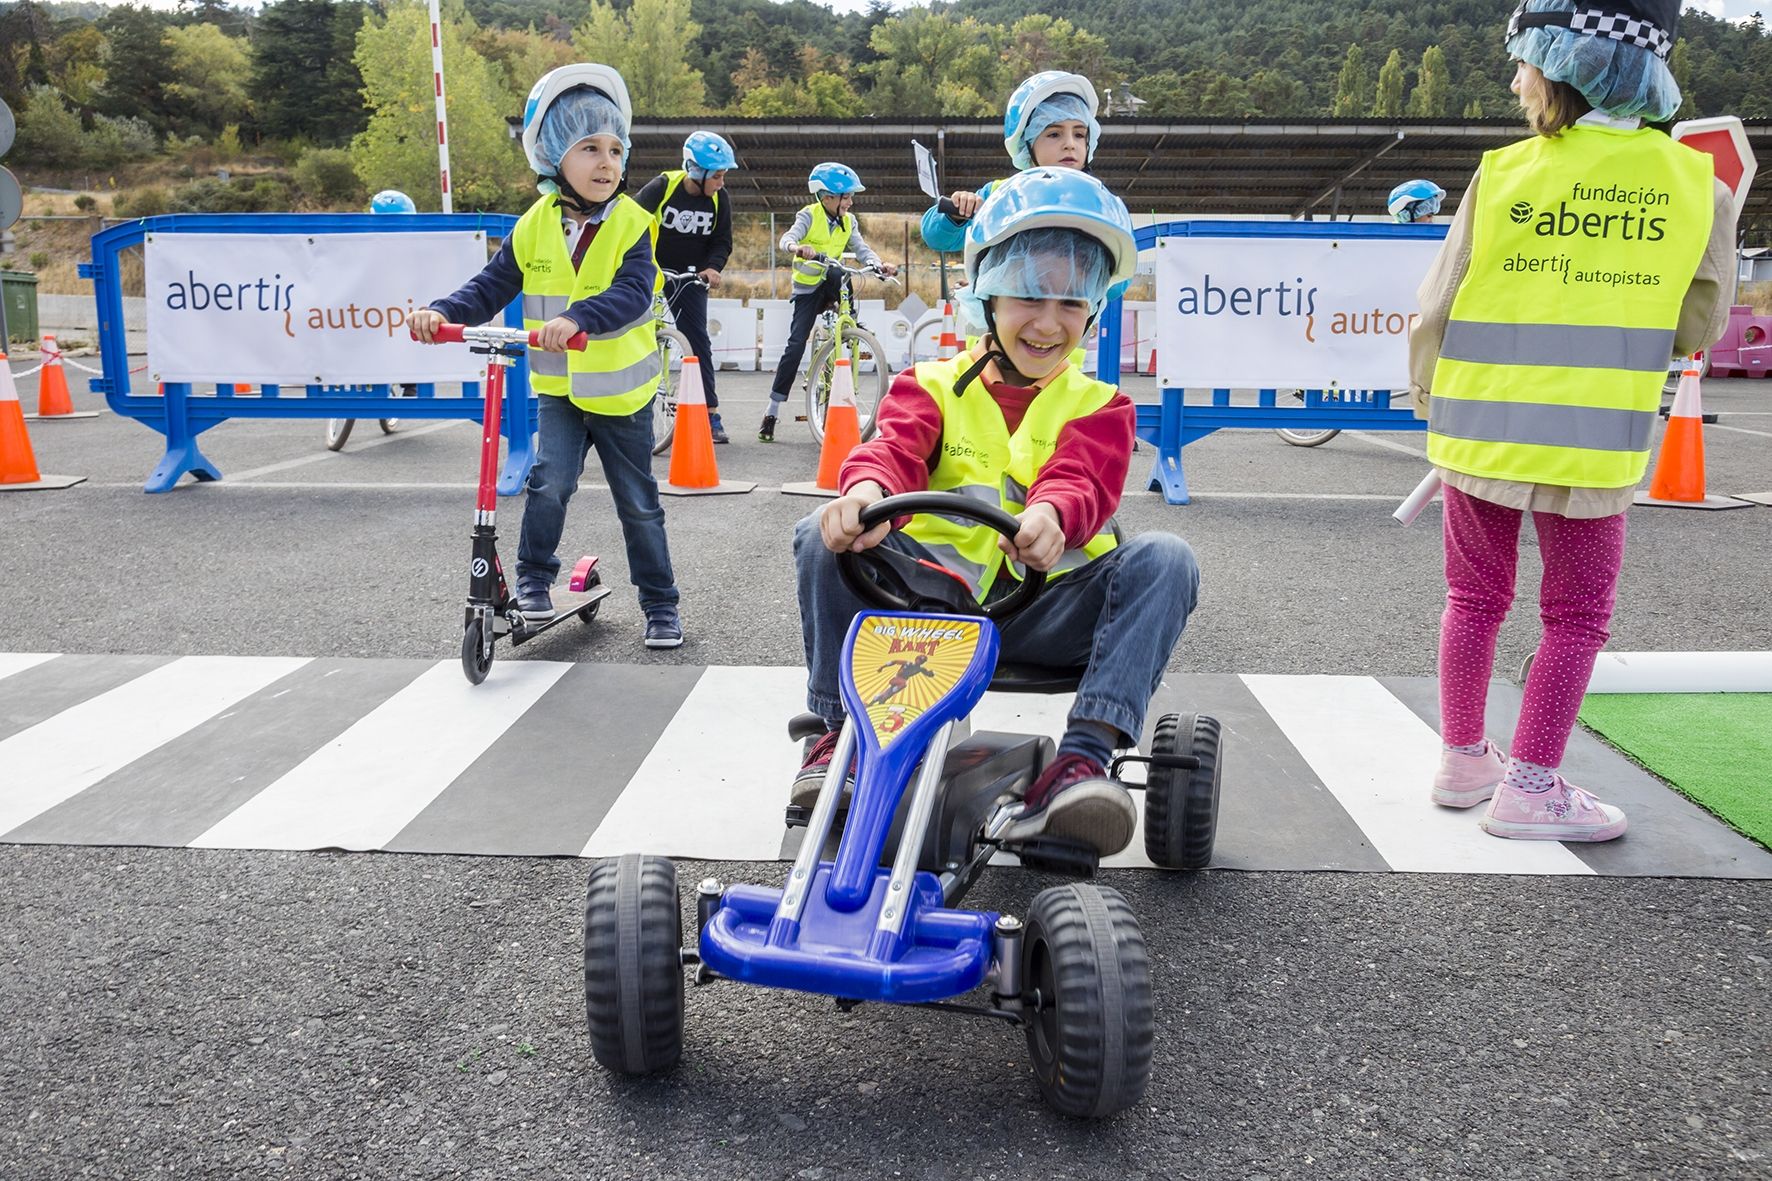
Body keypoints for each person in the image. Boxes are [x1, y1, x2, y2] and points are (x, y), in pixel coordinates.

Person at [791, 168, 1201, 858]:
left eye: (1071, 303)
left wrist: (1052, 515)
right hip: (926, 603)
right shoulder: (929, 385)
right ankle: (841, 737)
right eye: (1027, 298)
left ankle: (1079, 763)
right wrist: (862, 497)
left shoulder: (1101, 406)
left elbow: (1081, 480)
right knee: (819, 534)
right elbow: (891, 450)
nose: (1048, 322)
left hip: (1045, 613)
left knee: (1167, 558)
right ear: (986, 295)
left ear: (1095, 310)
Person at [1411, 0, 1737, 841]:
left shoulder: (1507, 170)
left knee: (1472, 598)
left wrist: (1431, 406)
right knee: (1578, 615)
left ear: (1566, 69)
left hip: (1479, 429)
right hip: (1596, 440)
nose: (1516, 78)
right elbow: (1698, 325)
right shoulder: (1695, 183)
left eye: (1525, 61)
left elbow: (1435, 307)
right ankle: (1534, 782)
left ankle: (1461, 757)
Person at [410, 63, 684, 649]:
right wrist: (441, 312)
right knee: (548, 484)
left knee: (637, 504)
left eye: (615, 148)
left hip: (620, 394)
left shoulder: (635, 223)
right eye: (589, 148)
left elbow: (633, 291)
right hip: (559, 390)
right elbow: (488, 286)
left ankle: (661, 605)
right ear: (553, 155)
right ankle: (535, 580)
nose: (607, 162)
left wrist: (579, 317)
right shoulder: (533, 224)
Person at [760, 163, 898, 442]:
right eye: (846, 196)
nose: (850, 201)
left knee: (841, 272)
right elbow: (787, 238)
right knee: (796, 343)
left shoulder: (850, 221)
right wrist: (797, 248)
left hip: (832, 280)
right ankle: (772, 410)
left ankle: (851, 326)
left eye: (850, 197)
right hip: (808, 288)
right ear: (827, 198)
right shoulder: (808, 215)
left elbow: (861, 249)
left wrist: (877, 265)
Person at [920, 71, 1101, 255]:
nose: (1070, 144)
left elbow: (1120, 274)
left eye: (1079, 135)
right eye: (1054, 134)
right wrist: (956, 214)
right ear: (1026, 144)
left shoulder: (1098, 201)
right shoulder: (999, 195)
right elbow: (936, 237)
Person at [634, 131, 736, 443]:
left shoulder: (720, 199)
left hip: (691, 276)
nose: (721, 183)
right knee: (631, 334)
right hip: (651, 270)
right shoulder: (663, 186)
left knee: (697, 340)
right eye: (717, 176)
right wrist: (638, 263)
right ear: (696, 170)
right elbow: (631, 222)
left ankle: (710, 413)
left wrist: (713, 268)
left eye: (722, 176)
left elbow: (722, 242)